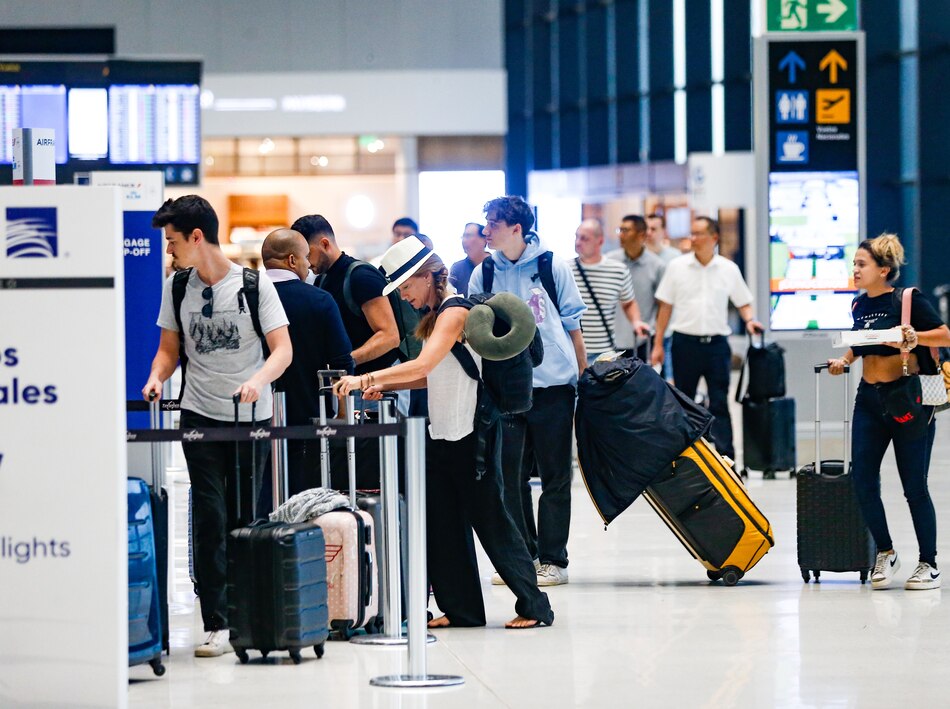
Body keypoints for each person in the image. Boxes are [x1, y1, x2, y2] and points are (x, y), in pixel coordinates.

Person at [333, 237, 554, 629]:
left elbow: (422, 365)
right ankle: (462, 609)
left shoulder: (454, 311)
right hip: (441, 433)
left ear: (426, 276)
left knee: (492, 522)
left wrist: (366, 376)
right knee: (443, 524)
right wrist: (385, 385)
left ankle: (535, 606)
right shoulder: (436, 317)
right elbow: (431, 378)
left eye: (406, 287)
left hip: (473, 435)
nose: (404, 296)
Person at [142, 195, 292, 658]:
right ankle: (217, 622)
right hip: (199, 416)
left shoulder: (253, 285)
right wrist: (155, 377)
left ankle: (248, 617)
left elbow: (282, 351)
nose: (169, 251)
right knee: (209, 515)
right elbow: (170, 349)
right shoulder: (176, 287)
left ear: (197, 237)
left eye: (172, 242)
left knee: (246, 515)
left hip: (250, 417)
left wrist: (256, 380)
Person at [469, 195, 587, 587]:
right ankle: (523, 556)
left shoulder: (552, 266)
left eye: (493, 225)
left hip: (553, 385)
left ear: (516, 228)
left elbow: (573, 324)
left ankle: (554, 560)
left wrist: (583, 375)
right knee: (510, 475)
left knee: (555, 475)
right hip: (507, 390)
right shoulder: (483, 273)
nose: (486, 232)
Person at [827, 233, 950, 590]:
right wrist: (844, 359)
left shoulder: (908, 299)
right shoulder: (859, 304)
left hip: (907, 399)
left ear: (883, 269)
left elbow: (944, 335)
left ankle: (929, 563)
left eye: (861, 264)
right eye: (854, 264)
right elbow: (859, 340)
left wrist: (913, 338)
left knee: (914, 486)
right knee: (863, 479)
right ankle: (886, 551)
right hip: (869, 400)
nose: (855, 270)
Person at [651, 216, 763, 462]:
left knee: (720, 402)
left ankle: (727, 458)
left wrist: (750, 320)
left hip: (716, 345)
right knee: (684, 403)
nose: (694, 238)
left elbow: (743, 301)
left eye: (700, 233)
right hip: (684, 343)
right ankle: (686, 458)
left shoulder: (728, 269)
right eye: (692, 233)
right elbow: (665, 307)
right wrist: (658, 344)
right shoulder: (677, 267)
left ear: (714, 238)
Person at [259, 228, 354, 501]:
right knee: (304, 503)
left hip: (255, 417)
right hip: (310, 420)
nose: (309, 265)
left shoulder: (245, 297)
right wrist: (343, 414)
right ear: (291, 260)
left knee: (261, 500)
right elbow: (341, 361)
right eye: (304, 258)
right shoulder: (319, 300)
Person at [291, 214, 401, 376]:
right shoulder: (322, 280)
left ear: (325, 244)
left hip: (379, 386)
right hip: (350, 383)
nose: (306, 262)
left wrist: (345, 361)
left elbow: (390, 336)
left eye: (308, 255)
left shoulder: (361, 276)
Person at [571, 218, 650, 363]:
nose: (578, 242)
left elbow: (629, 302)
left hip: (604, 352)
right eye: (576, 237)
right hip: (572, 351)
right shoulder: (564, 270)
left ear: (600, 241)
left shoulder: (617, 270)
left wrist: (636, 322)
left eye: (584, 238)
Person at [607, 214, 667, 363]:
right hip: (610, 341)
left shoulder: (657, 266)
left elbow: (662, 306)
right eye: (619, 230)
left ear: (641, 235)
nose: (621, 235)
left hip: (643, 341)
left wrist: (658, 342)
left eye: (626, 230)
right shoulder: (609, 262)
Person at [449, 222, 489, 297]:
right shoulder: (458, 268)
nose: (464, 241)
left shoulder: (497, 264)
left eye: (468, 236)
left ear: (484, 239)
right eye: (463, 236)